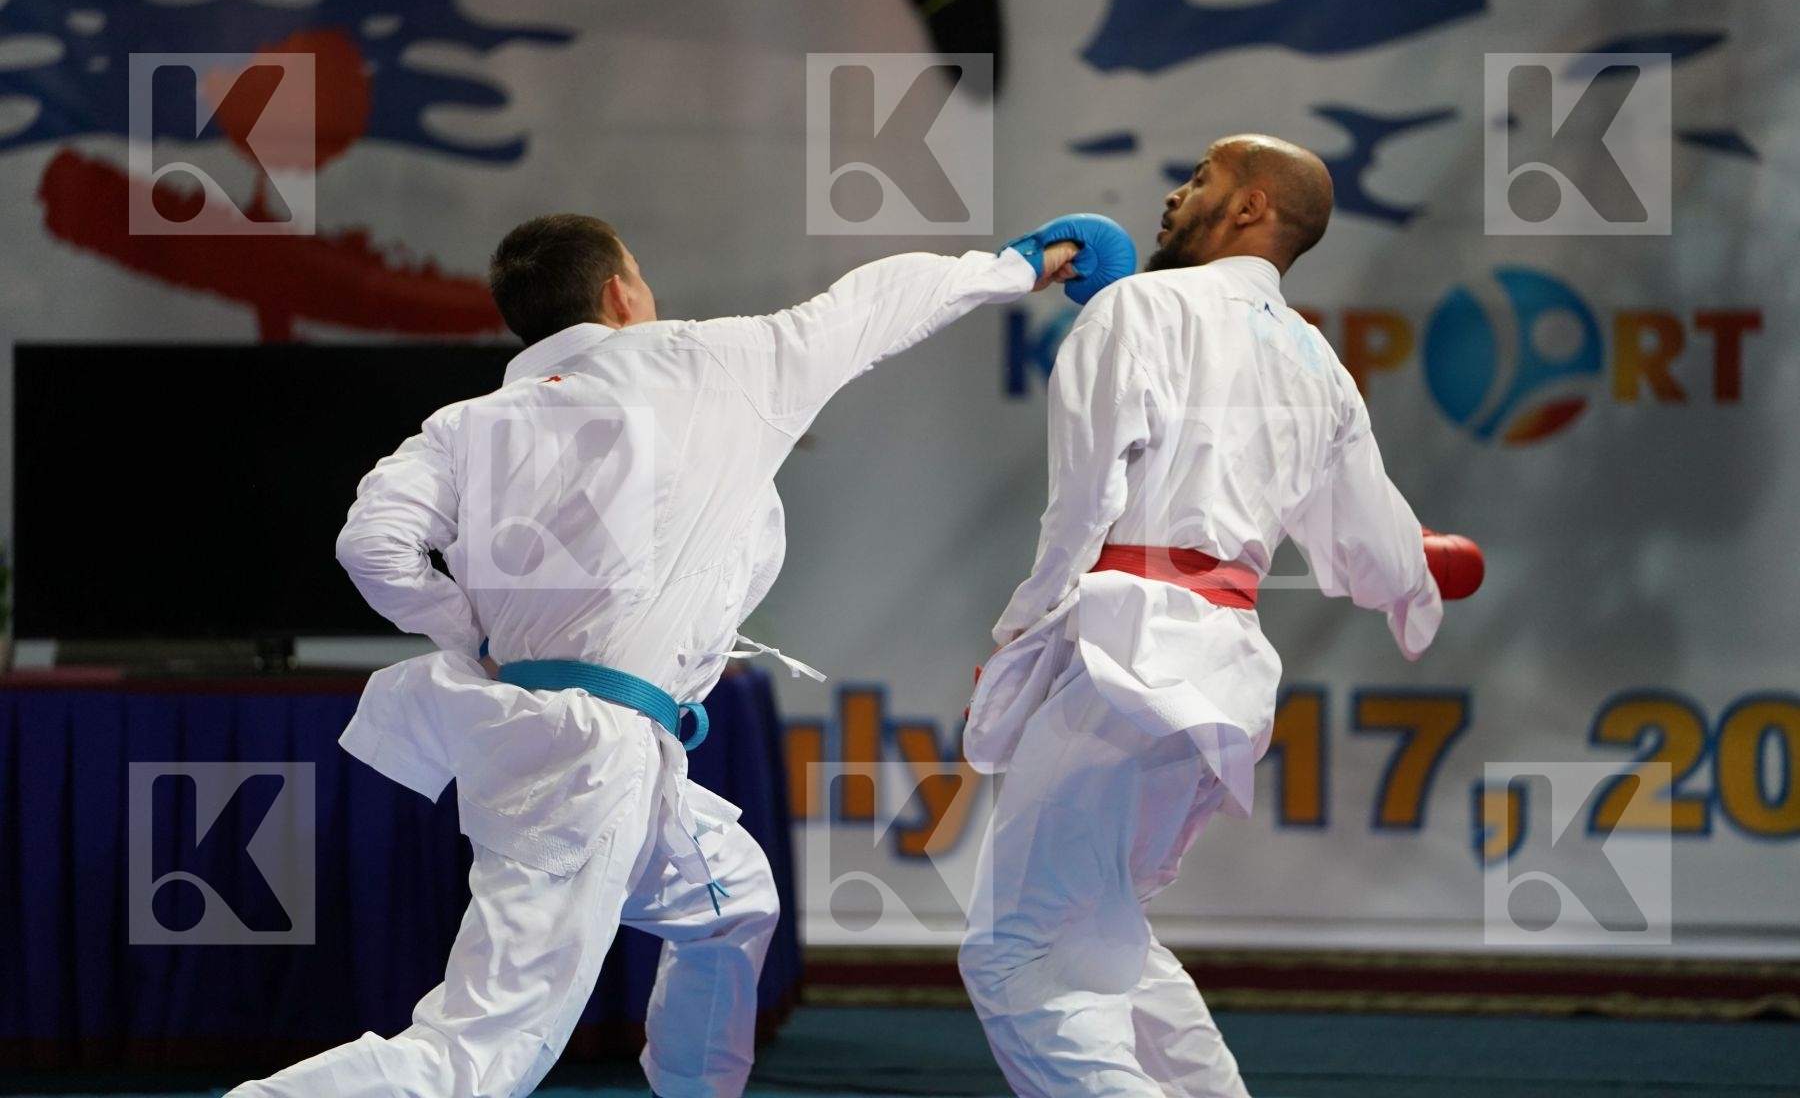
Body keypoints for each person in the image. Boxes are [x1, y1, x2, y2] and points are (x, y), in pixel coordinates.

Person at [227, 212, 1111, 1098]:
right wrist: (1015, 266)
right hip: (588, 759)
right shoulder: (711, 362)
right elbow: (877, 303)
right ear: (620, 292)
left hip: (562, 741)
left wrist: (479, 639)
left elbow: (371, 546)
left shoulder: (464, 424)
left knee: (733, 905)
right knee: (481, 1052)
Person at [960, 135, 1470, 1097]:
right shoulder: (1319, 364)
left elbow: (1081, 506)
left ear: (1252, 207)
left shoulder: (1138, 307)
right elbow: (1375, 556)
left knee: (1017, 961)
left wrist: (1018, 639)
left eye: (1201, 180)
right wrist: (1425, 570)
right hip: (1222, 674)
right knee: (1105, 930)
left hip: (1123, 655)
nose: (1173, 195)